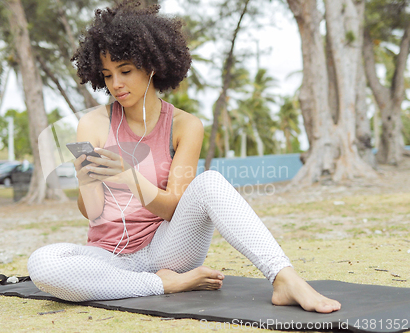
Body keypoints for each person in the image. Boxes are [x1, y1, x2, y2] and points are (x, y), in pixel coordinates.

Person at [27, 0, 341, 313]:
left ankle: (284, 278)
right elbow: (92, 212)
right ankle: (165, 284)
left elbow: (174, 207)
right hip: (108, 257)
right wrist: (88, 180)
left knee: (210, 183)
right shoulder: (92, 124)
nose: (116, 85)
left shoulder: (185, 125)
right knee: (42, 263)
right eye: (107, 75)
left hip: (167, 249)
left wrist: (129, 177)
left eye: (125, 71)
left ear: (151, 66)